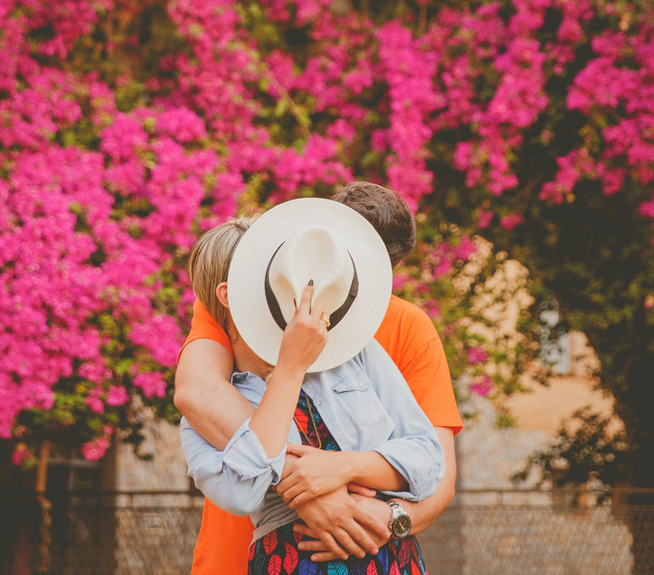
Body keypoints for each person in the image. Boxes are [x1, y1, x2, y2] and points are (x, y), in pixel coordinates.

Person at [175, 183, 461, 573]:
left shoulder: (369, 341)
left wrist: (372, 499)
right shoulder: (247, 293)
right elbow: (196, 394)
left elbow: (433, 465)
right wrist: (308, 493)